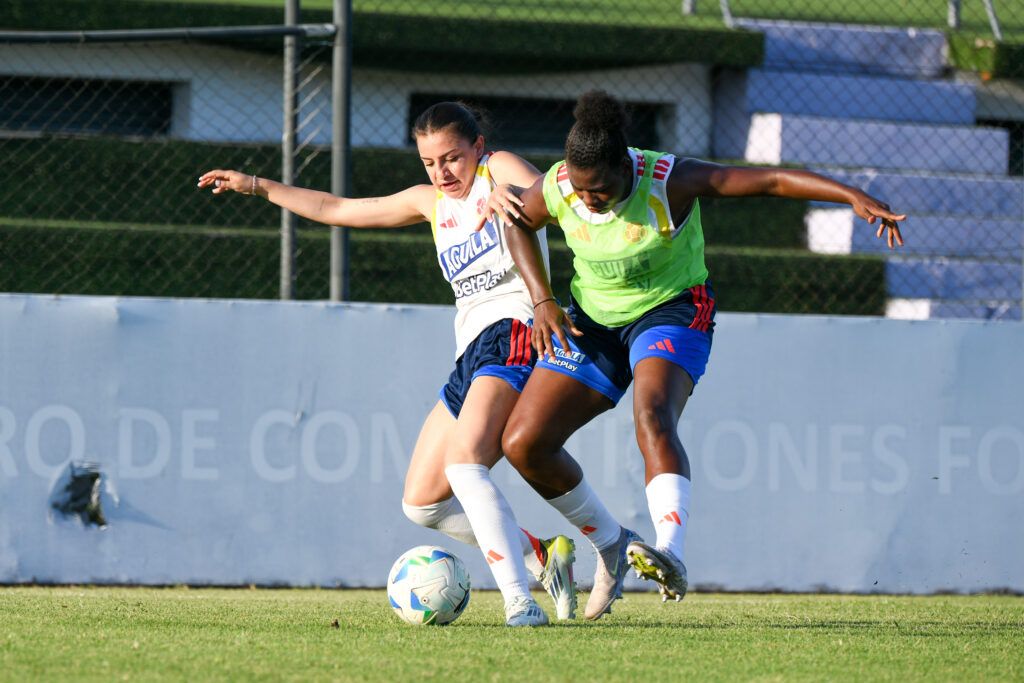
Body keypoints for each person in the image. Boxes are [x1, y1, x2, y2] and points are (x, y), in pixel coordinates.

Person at [198, 102, 625, 626]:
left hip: (515, 331)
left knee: (465, 465)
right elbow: (336, 208)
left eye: (453, 158)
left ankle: (519, 600)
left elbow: (552, 192)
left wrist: (513, 194)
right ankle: (541, 554)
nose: (443, 172)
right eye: (430, 162)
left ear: (478, 149)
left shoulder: (501, 168)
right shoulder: (430, 204)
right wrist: (257, 185)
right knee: (422, 503)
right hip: (472, 351)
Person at [484, 90, 906, 604]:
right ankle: (613, 545)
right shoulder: (559, 186)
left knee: (652, 413)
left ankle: (671, 553)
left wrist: (850, 196)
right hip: (593, 324)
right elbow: (518, 224)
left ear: (626, 166)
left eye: (597, 190)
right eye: (578, 188)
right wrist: (542, 299)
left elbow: (769, 179)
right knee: (524, 443)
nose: (585, 200)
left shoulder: (671, 181)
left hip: (673, 312)